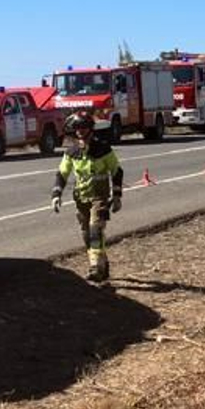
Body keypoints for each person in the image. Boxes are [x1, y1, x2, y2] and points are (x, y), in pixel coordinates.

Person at [52, 111, 123, 282]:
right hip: (81, 197)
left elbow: (116, 171)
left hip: (100, 196)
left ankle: (95, 267)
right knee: (86, 234)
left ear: (90, 129)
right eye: (77, 128)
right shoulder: (72, 152)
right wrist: (56, 194)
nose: (80, 131)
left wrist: (117, 194)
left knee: (95, 229)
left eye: (84, 127)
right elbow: (62, 173)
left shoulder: (103, 148)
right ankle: (103, 264)